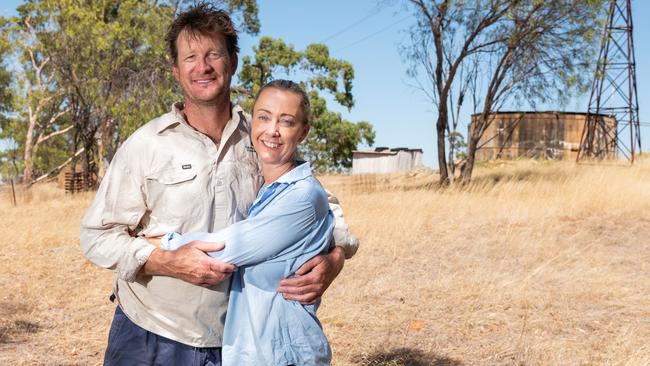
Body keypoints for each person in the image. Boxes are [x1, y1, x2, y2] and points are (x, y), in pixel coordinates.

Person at [79, 4, 358, 365]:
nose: (203, 66)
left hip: (235, 340)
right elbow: (96, 236)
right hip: (150, 333)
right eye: (191, 56)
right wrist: (164, 260)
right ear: (175, 69)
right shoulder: (147, 144)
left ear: (233, 61)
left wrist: (333, 260)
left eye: (214, 54)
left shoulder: (261, 137)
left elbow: (322, 209)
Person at [162, 79, 334, 365]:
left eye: (287, 121)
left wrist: (157, 241)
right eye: (264, 117)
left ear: (303, 132)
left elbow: (220, 250)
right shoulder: (267, 187)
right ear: (252, 122)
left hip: (283, 355)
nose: (272, 130)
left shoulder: (302, 196)